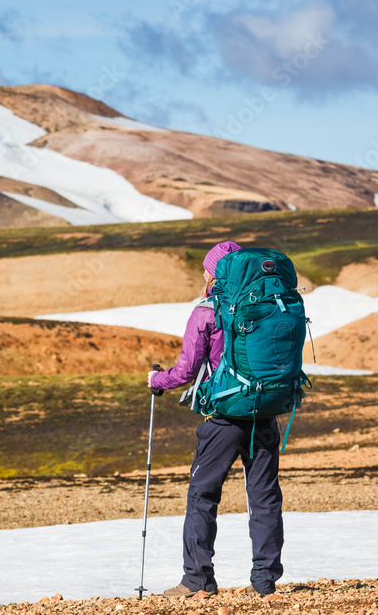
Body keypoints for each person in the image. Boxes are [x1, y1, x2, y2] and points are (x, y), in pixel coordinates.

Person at [147, 241, 284, 598]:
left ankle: (197, 582)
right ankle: (265, 583)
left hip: (223, 418)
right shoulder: (270, 307)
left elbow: (185, 371)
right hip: (264, 414)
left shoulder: (206, 312)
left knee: (203, 495)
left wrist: (156, 380)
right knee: (265, 497)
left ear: (213, 274)